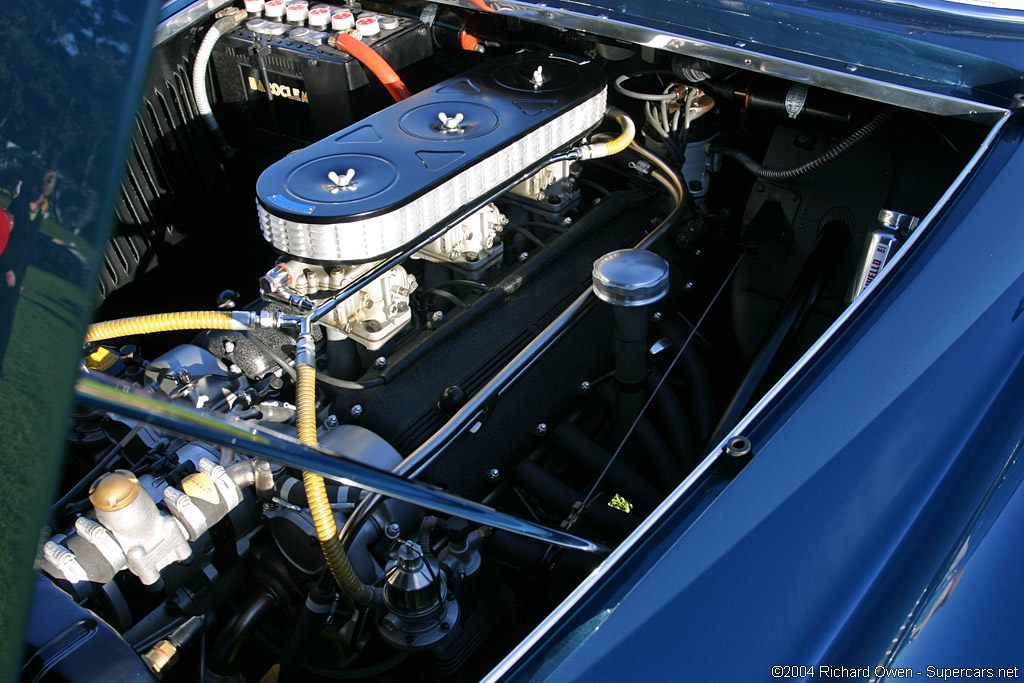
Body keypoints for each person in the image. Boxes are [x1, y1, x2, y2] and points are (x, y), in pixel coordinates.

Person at [0, 169, 56, 378]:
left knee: (6, 323)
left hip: (17, 275)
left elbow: (28, 248)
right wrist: (7, 269)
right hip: (3, 268)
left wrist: (20, 278)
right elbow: (4, 239)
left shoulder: (40, 213)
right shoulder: (19, 205)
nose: (41, 197)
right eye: (40, 192)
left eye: (45, 194)